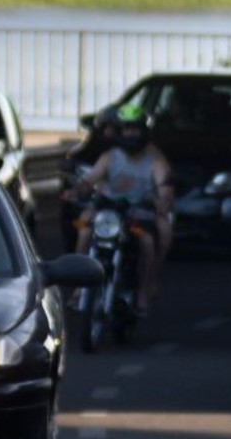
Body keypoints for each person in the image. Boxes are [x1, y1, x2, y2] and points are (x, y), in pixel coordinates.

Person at [70, 104, 174, 315]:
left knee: (148, 241)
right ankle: (79, 288)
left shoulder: (155, 159)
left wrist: (161, 199)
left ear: (144, 131)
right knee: (84, 230)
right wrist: (79, 190)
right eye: (127, 128)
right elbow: (91, 179)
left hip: (137, 213)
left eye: (135, 128)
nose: (131, 133)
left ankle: (145, 290)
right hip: (107, 210)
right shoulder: (110, 156)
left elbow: (165, 186)